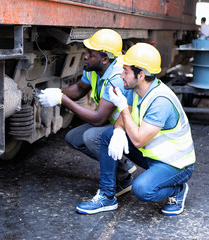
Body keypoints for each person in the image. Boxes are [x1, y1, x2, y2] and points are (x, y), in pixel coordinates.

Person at [76, 43, 196, 216]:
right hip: (152, 155)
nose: (121, 75)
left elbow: (139, 139)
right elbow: (121, 122)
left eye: (125, 71)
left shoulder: (160, 101)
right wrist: (117, 132)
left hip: (175, 164)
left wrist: (123, 107)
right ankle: (107, 195)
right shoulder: (137, 90)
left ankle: (177, 189)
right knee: (109, 134)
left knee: (142, 190)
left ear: (140, 75)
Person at [38, 29, 136, 196]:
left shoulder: (117, 78)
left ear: (105, 59)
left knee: (92, 137)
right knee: (73, 138)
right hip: (114, 122)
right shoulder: (95, 69)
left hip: (131, 126)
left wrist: (62, 100)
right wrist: (54, 91)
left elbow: (98, 119)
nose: (85, 56)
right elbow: (78, 89)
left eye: (91, 54)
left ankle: (123, 179)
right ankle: (121, 162)